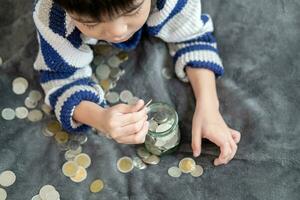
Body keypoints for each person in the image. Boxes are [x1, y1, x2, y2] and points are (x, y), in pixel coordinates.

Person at [33, 0, 241, 166]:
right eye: (91, 23)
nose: (117, 32)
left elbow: (194, 37)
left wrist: (209, 106)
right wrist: (100, 117)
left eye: (132, 10)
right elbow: (59, 79)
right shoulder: (53, 15)